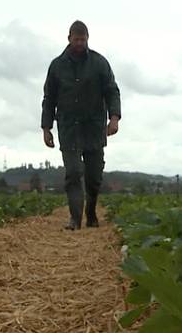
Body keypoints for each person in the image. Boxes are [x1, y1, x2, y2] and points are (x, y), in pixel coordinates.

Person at [40, 20, 122, 230]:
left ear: (87, 39)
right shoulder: (57, 66)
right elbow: (49, 98)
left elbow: (112, 91)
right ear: (69, 38)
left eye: (83, 40)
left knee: (94, 177)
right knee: (74, 172)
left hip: (94, 128)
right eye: (76, 39)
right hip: (69, 128)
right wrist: (46, 128)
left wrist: (114, 118)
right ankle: (75, 219)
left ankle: (91, 212)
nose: (79, 43)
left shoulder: (99, 63)